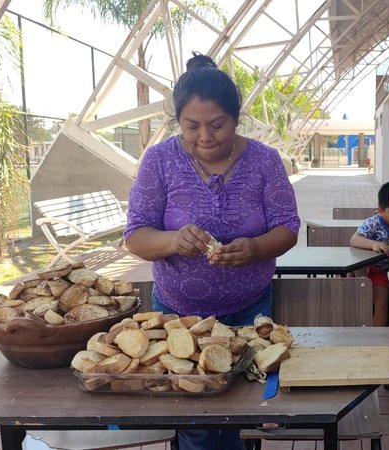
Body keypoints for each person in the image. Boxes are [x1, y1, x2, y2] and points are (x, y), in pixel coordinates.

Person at [124, 52, 300, 450]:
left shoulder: (264, 162)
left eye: (217, 125)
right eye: (192, 126)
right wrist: (172, 240)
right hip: (180, 317)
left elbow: (288, 227)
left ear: (236, 118)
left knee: (242, 408)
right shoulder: (160, 161)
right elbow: (135, 234)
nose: (205, 136)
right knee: (194, 416)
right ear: (179, 123)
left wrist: (255, 248)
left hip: (249, 312)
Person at [348, 182, 389, 326]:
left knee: (383, 300)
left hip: (378, 273)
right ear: (381, 211)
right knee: (347, 297)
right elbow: (354, 239)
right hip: (359, 269)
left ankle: (377, 337)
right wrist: (374, 244)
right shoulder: (373, 223)